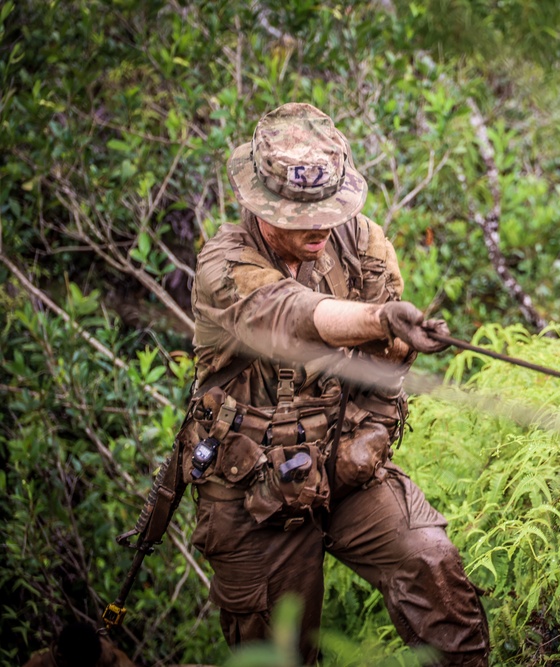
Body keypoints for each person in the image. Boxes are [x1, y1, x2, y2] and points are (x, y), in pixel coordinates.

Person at [182, 103, 489, 665]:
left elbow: (386, 368)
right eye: (300, 215)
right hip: (254, 494)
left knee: (431, 564)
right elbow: (294, 314)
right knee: (280, 651)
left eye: (327, 208)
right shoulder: (225, 266)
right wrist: (377, 320)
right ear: (259, 205)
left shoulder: (363, 243)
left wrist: (370, 436)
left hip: (344, 467)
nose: (318, 225)